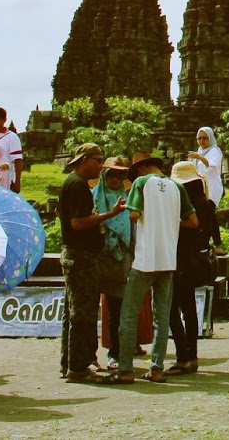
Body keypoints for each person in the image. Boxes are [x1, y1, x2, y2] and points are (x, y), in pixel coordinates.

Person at [108, 155, 196, 385]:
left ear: (142, 169)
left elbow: (135, 215)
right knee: (162, 316)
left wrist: (132, 209)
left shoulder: (141, 183)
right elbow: (193, 222)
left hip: (145, 259)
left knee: (129, 314)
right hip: (168, 259)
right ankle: (156, 368)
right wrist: (167, 220)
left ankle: (126, 369)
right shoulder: (177, 186)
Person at [57, 143, 125, 383]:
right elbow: (78, 222)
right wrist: (110, 215)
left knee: (73, 312)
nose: (101, 166)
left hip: (77, 254)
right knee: (83, 314)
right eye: (98, 160)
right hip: (81, 256)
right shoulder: (77, 185)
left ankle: (70, 363)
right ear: (85, 160)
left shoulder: (74, 184)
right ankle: (78, 366)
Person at [169, 159, 222, 374]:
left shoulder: (185, 205)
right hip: (198, 260)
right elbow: (215, 235)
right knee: (189, 309)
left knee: (171, 308)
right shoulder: (207, 203)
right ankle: (192, 355)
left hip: (181, 258)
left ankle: (183, 355)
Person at [94, 156, 134, 368]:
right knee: (90, 311)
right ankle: (90, 356)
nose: (116, 179)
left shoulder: (128, 199)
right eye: (112, 174)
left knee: (117, 311)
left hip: (121, 258)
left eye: (120, 175)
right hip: (99, 257)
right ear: (104, 175)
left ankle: (115, 353)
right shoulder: (94, 197)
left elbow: (132, 228)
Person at [190, 127, 224, 205]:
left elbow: (211, 164)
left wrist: (200, 157)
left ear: (210, 138)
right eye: (199, 138)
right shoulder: (200, 151)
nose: (202, 141)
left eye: (205, 138)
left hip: (211, 186)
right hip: (200, 187)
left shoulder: (215, 151)